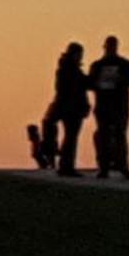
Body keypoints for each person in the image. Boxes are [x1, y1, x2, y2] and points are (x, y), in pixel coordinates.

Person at [88, 34, 129, 179]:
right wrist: (100, 83)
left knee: (120, 137)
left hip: (119, 106)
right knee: (105, 137)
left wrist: (120, 80)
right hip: (104, 107)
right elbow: (90, 84)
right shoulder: (97, 65)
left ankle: (122, 167)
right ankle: (104, 168)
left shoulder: (125, 64)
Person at [47, 42, 91, 177]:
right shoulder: (69, 70)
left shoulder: (69, 69)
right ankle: (66, 166)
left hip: (72, 107)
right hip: (71, 108)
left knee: (70, 137)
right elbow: (67, 89)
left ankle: (66, 165)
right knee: (71, 138)